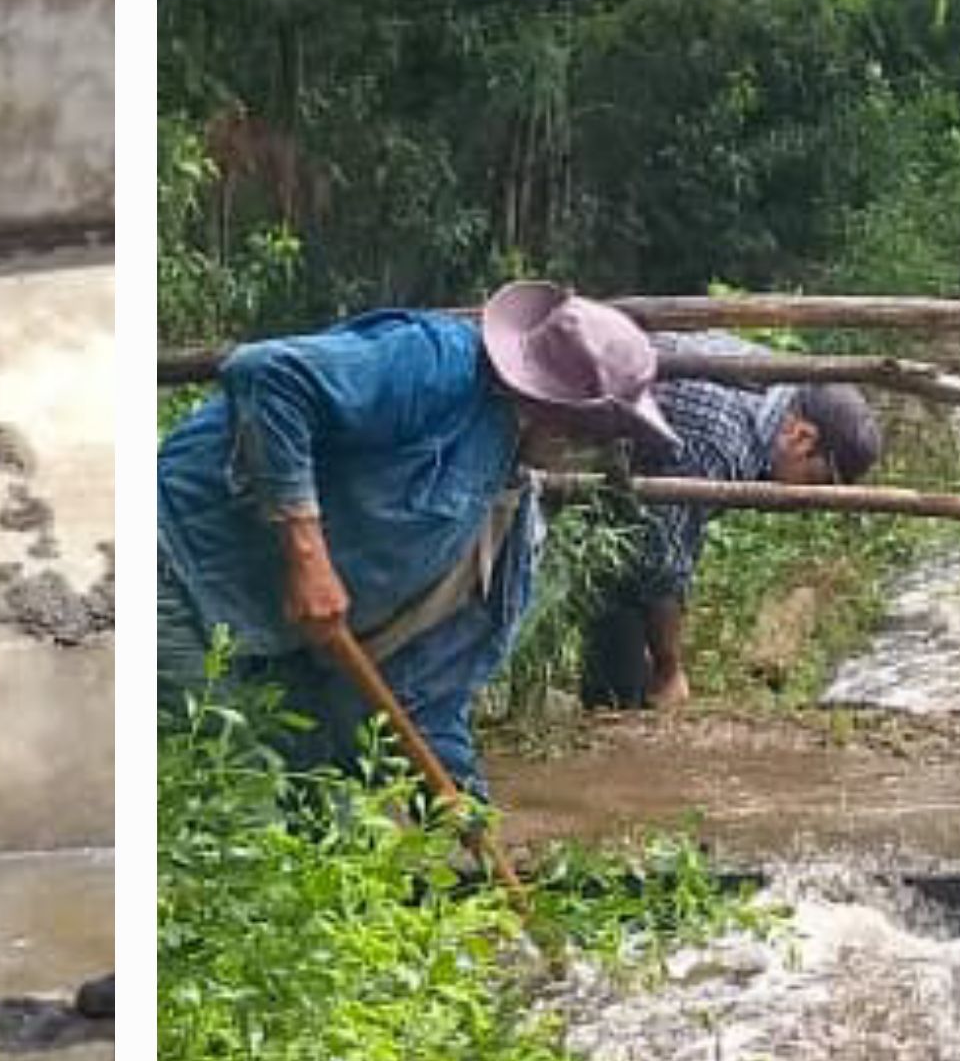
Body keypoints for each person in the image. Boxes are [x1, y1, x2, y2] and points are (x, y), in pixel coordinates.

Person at [156, 282, 679, 799]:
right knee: (239, 806)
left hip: (270, 640)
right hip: (178, 563)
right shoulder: (436, 362)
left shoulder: (506, 519)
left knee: (323, 825)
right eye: (598, 431)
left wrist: (464, 808)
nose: (598, 446)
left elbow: (431, 691)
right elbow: (268, 375)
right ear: (561, 412)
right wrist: (308, 558)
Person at [579, 335, 882, 711]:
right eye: (816, 481)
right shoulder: (723, 441)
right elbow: (660, 564)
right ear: (802, 438)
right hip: (562, 437)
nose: (809, 502)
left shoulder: (774, 380)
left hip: (612, 462)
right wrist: (669, 669)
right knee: (622, 614)